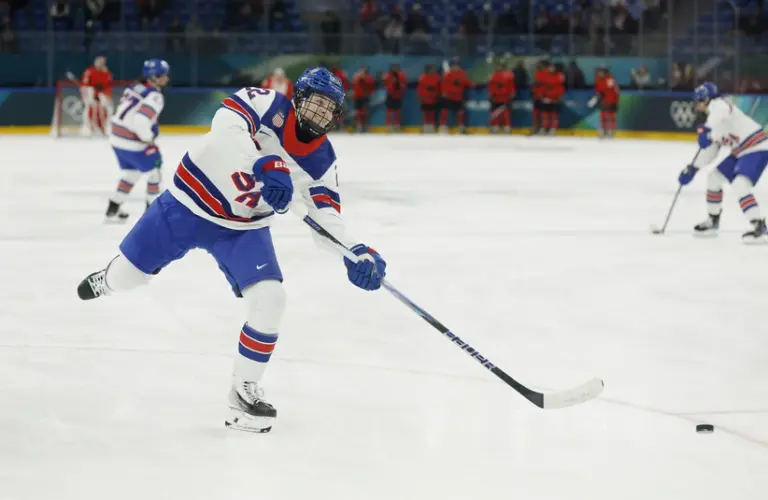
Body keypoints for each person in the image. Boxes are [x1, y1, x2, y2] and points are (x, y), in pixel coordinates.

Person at [76, 67, 388, 433]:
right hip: (188, 203)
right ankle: (109, 280)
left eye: (328, 107)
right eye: (315, 102)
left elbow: (326, 217)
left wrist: (355, 252)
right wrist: (263, 162)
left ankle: (242, 394)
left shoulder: (321, 161)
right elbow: (225, 126)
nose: (319, 113)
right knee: (128, 278)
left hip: (243, 228)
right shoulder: (266, 103)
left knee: (271, 298)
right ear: (298, 98)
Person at [678, 82, 768, 241]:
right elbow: (711, 150)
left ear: (707, 99)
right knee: (713, 178)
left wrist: (706, 130)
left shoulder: (719, 105)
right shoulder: (713, 122)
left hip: (756, 147)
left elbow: (719, 111)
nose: (697, 105)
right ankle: (713, 220)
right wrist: (694, 167)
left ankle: (758, 226)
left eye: (699, 101)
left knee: (740, 184)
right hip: (740, 151)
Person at [104, 59, 168, 222]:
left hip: (116, 139)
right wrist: (148, 139)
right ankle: (153, 215)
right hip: (133, 142)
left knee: (132, 172)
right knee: (154, 171)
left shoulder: (133, 88)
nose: (167, 78)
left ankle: (114, 207)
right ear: (155, 77)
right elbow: (140, 120)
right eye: (164, 75)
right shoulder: (155, 96)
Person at [80, 55, 113, 136]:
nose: (101, 64)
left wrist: (104, 95)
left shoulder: (106, 72)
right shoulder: (89, 71)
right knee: (90, 108)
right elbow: (85, 86)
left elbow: (107, 86)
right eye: (100, 62)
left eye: (103, 62)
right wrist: (91, 95)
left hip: (101, 94)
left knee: (107, 109)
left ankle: (104, 127)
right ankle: (88, 127)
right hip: (90, 93)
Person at [440, 57, 472, 134]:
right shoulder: (447, 74)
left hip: (458, 97)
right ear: (451, 66)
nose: (455, 67)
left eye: (457, 65)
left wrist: (473, 85)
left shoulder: (462, 73)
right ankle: (443, 127)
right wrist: (444, 93)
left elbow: (466, 82)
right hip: (448, 97)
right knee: (445, 112)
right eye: (454, 65)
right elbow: (443, 85)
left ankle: (461, 127)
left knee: (460, 112)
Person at [590, 67, 619, 138]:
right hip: (604, 100)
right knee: (603, 116)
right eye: (598, 72)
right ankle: (603, 131)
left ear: (605, 73)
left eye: (601, 72)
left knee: (611, 117)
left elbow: (613, 90)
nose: (599, 73)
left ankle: (611, 131)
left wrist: (615, 101)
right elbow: (598, 90)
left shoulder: (610, 79)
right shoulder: (598, 79)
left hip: (611, 100)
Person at [487, 61, 515, 134]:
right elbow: (490, 86)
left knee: (506, 112)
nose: (498, 68)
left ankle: (507, 127)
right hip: (495, 97)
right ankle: (495, 126)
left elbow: (512, 86)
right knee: (495, 113)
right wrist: (490, 93)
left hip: (505, 97)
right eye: (497, 66)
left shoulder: (509, 75)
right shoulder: (493, 75)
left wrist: (512, 93)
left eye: (500, 66)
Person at [417, 63, 441, 133]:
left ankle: (431, 127)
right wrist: (420, 97)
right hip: (425, 99)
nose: (432, 70)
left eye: (433, 69)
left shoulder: (437, 77)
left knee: (432, 113)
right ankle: (425, 127)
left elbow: (439, 88)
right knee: (426, 113)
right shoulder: (422, 77)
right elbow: (420, 89)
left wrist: (438, 96)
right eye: (431, 69)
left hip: (434, 99)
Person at [384, 63, 407, 132]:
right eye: (394, 67)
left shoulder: (402, 75)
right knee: (389, 111)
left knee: (398, 112)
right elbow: (386, 85)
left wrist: (398, 83)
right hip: (390, 95)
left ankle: (397, 126)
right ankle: (389, 126)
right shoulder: (388, 75)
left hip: (398, 96)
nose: (395, 69)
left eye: (396, 67)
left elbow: (404, 86)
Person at [352, 65, 375, 132]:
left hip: (365, 97)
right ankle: (358, 126)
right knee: (357, 112)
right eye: (362, 69)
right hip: (358, 97)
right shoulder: (357, 76)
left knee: (365, 112)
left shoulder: (369, 78)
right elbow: (355, 84)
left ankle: (365, 126)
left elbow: (371, 86)